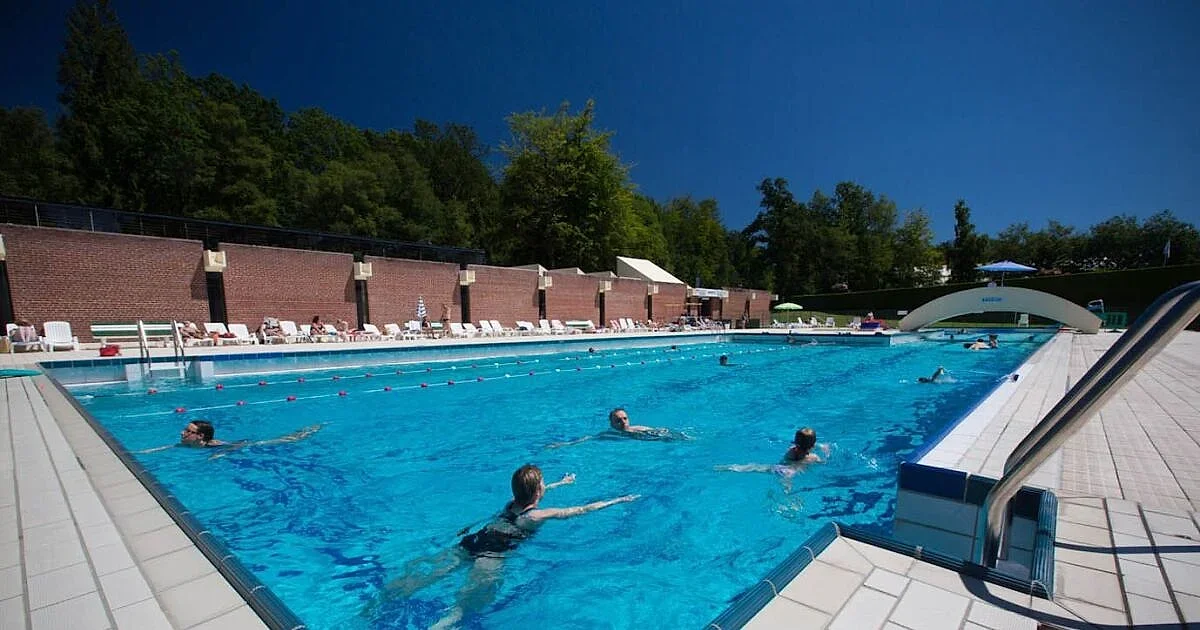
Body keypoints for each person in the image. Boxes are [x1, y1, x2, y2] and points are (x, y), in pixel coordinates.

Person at [385, 465, 638, 629]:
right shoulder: (536, 516)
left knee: (420, 579)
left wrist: (562, 483)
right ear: (538, 492)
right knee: (463, 607)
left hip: (471, 541)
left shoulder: (511, 504)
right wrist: (617, 500)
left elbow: (534, 490)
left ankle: (381, 602)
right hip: (492, 553)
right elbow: (580, 510)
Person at [138, 421, 322, 455]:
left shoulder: (212, 446)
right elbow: (168, 447)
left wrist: (219, 455)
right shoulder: (185, 446)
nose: (182, 433)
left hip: (239, 445)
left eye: (187, 431)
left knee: (281, 440)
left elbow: (232, 448)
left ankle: (305, 432)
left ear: (199, 436)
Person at [547, 408, 685, 448]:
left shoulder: (639, 428)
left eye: (625, 418)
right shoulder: (609, 434)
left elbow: (662, 431)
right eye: (618, 420)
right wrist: (565, 444)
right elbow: (589, 438)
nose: (623, 422)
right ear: (612, 424)